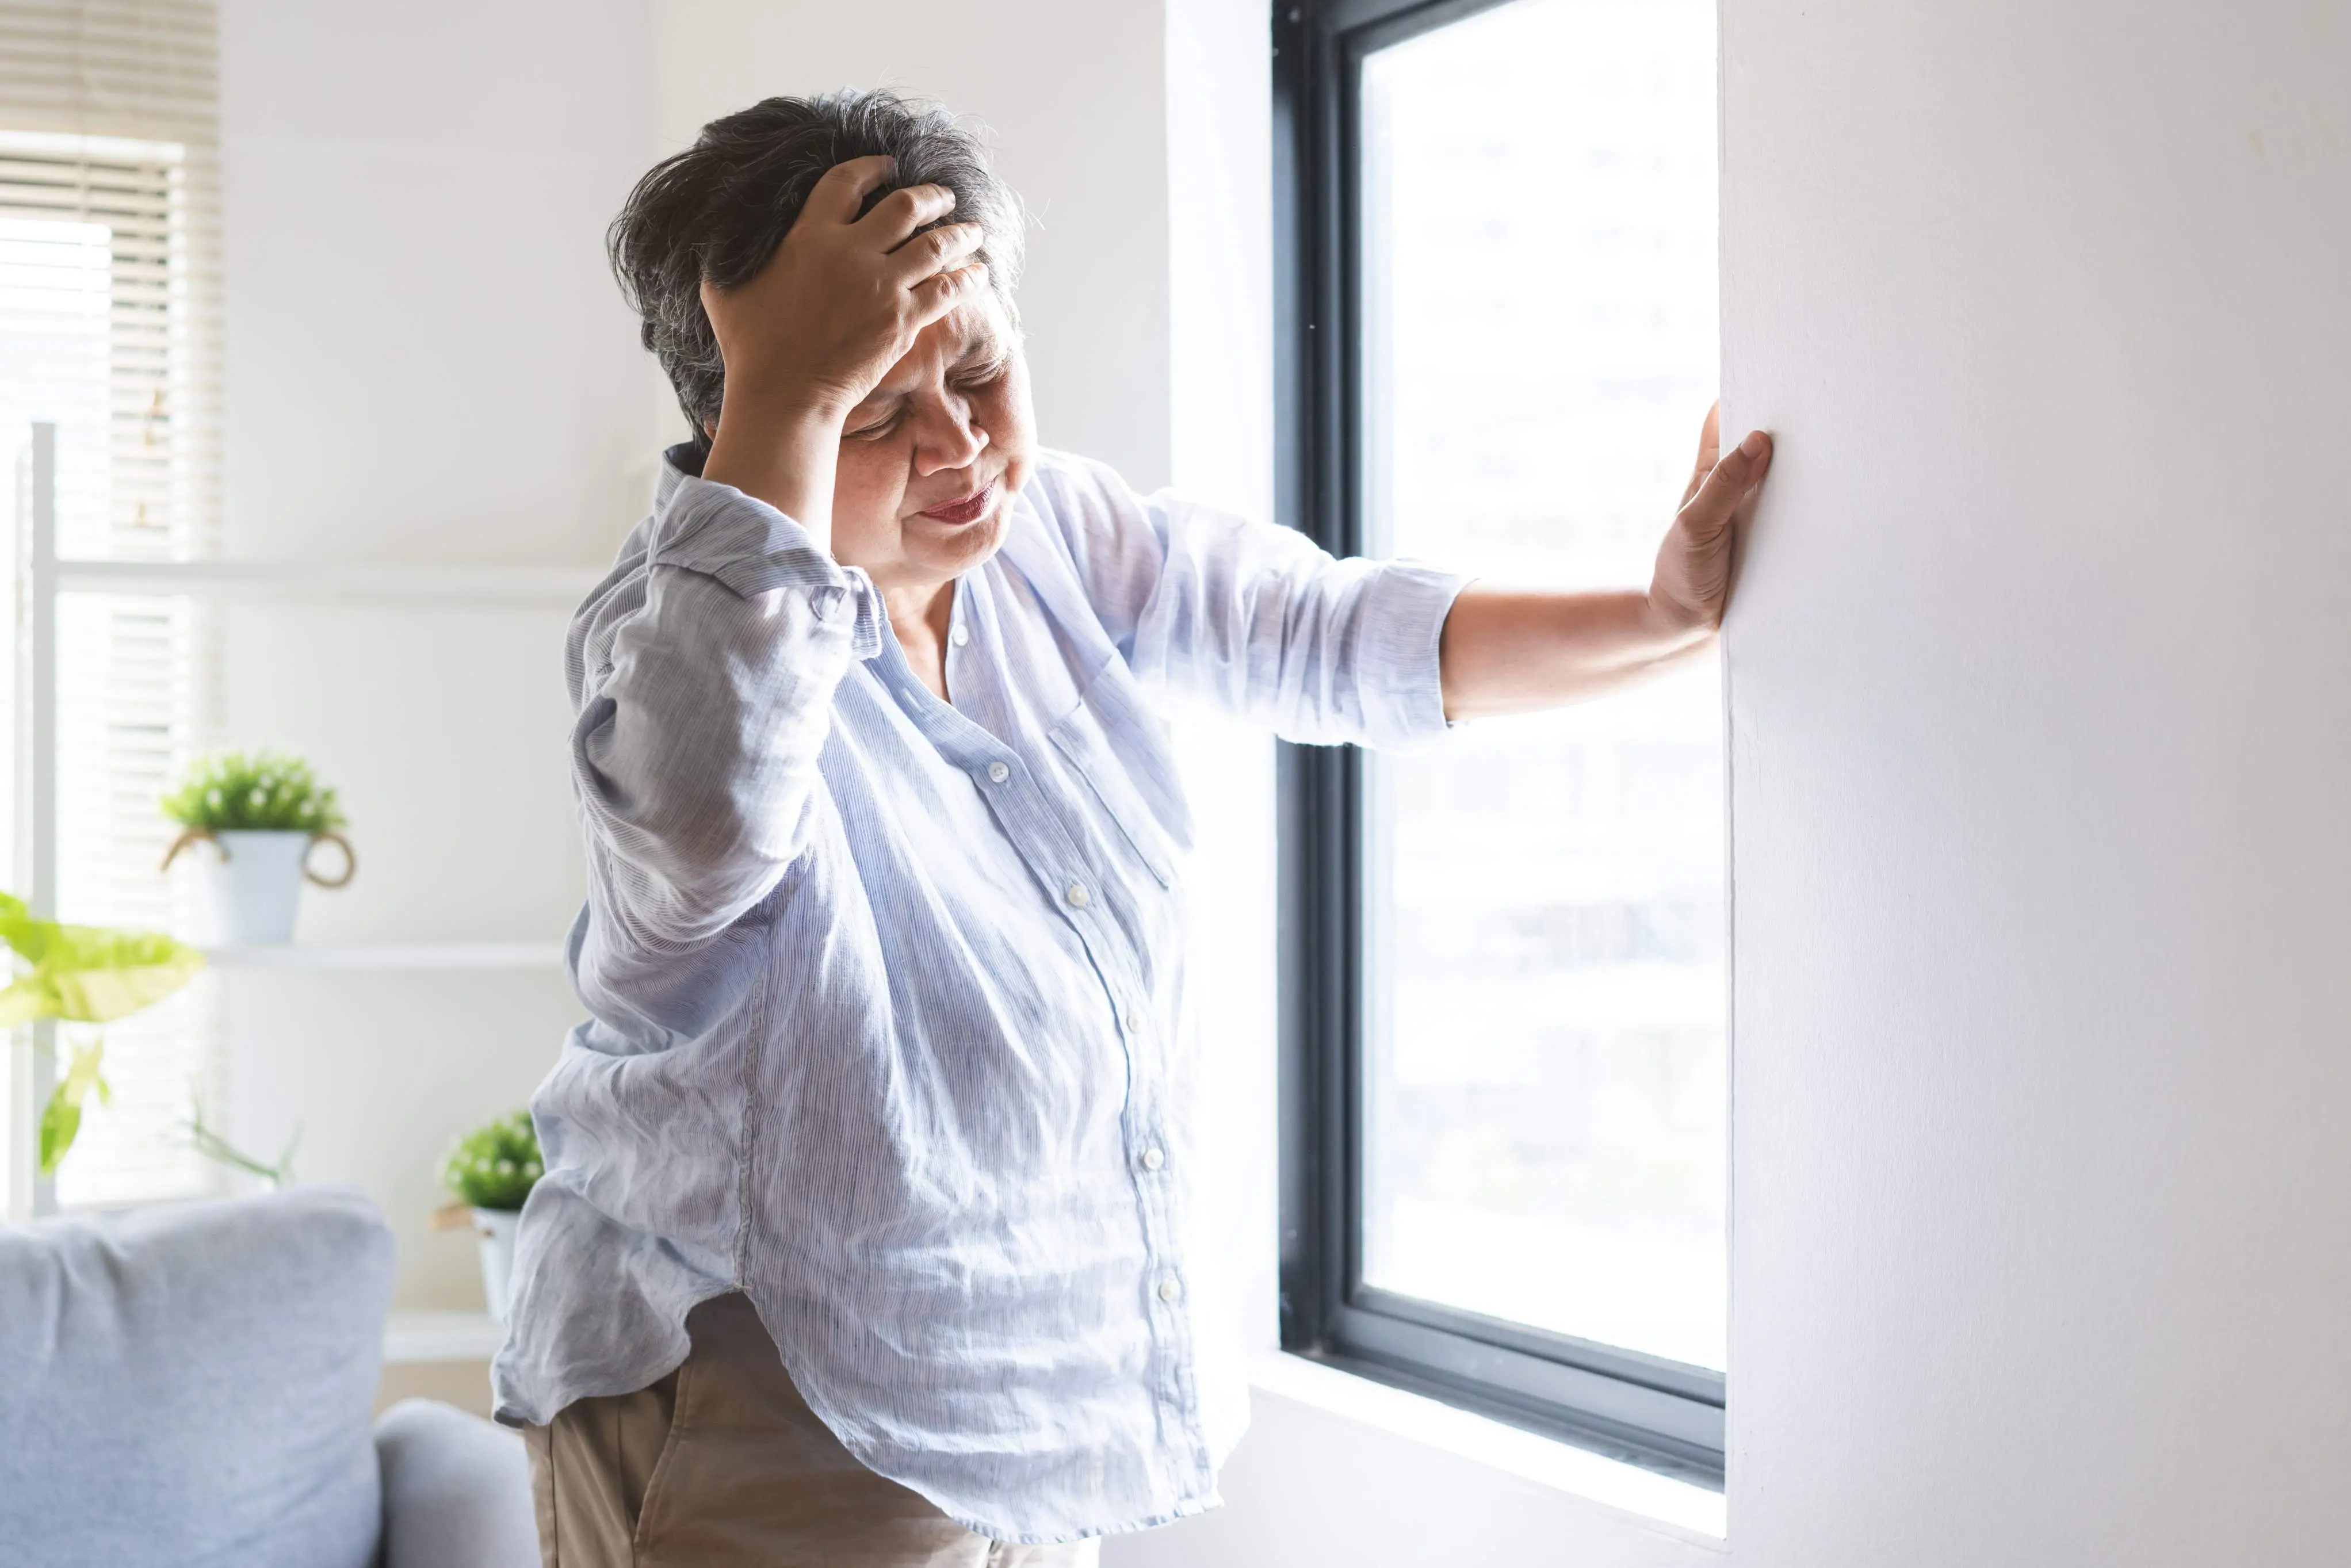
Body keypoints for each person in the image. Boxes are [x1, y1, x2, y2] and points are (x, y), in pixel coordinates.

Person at [491, 87, 1772, 1567]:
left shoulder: (1061, 543)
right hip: (765, 1388)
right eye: (878, 407)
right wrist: (787, 397)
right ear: (749, 411)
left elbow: (1334, 634)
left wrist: (1663, 612)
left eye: (979, 372)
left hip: (1029, 1393)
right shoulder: (671, 641)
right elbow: (706, 833)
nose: (963, 442)